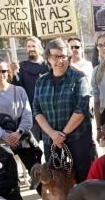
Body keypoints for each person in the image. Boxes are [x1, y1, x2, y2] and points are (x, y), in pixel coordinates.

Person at [34, 38, 94, 183]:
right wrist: (53, 134)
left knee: (82, 180)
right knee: (56, 181)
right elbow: (37, 111)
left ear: (69, 57)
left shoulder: (79, 79)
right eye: (55, 56)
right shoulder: (41, 81)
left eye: (63, 56)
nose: (59, 60)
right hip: (51, 141)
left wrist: (63, 134)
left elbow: (81, 110)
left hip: (77, 139)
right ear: (48, 58)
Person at [0, 58, 40, 172]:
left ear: (8, 71)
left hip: (22, 138)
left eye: (4, 71)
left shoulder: (19, 91)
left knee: (36, 171)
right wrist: (4, 135)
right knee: (7, 175)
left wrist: (18, 132)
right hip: (0, 141)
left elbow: (27, 114)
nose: (1, 74)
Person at [11, 36, 47, 109]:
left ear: (39, 47)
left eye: (33, 46)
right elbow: (18, 88)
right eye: (29, 46)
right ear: (26, 49)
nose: (31, 49)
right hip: (29, 107)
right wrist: (14, 73)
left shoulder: (48, 66)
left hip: (46, 106)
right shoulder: (21, 66)